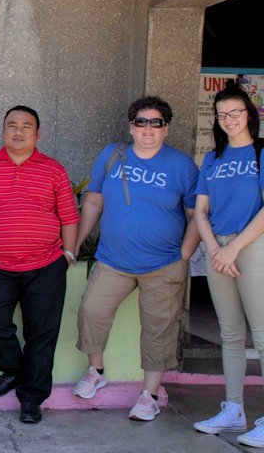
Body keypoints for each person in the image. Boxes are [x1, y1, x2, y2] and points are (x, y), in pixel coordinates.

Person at [72, 96, 199, 421]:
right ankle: (96, 371)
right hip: (114, 260)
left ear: (166, 128)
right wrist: (74, 245)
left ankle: (150, 395)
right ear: (132, 126)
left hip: (163, 264)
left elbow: (196, 214)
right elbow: (94, 203)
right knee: (91, 310)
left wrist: (184, 256)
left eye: (156, 123)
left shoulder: (182, 165)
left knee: (158, 329)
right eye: (141, 122)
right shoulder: (113, 156)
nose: (148, 129)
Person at [0, 105, 79, 425]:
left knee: (42, 333)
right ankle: (15, 370)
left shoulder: (53, 169)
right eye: (12, 125)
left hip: (47, 265)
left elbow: (69, 216)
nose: (18, 131)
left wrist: (68, 255)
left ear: (38, 134)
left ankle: (31, 400)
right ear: (3, 131)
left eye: (26, 126)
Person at [191, 81, 264, 448]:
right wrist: (214, 248)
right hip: (218, 249)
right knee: (230, 335)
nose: (229, 119)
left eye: (235, 112)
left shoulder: (261, 153)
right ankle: (234, 409)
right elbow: (201, 210)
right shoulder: (213, 159)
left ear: (249, 114)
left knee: (263, 335)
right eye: (222, 115)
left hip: (251, 246)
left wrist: (233, 248)